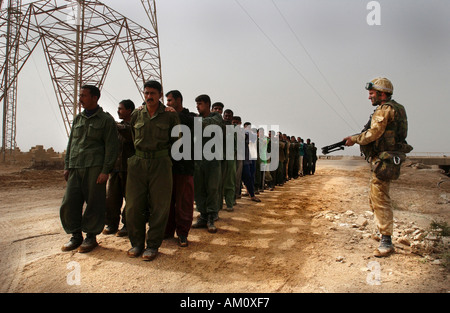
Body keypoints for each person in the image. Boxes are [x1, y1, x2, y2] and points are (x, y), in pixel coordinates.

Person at [344, 77, 411, 258]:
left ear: (382, 94)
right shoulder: (398, 107)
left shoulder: (385, 109)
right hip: (389, 158)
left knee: (380, 197)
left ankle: (386, 241)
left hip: (385, 159)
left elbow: (374, 133)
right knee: (376, 196)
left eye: (372, 93)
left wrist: (355, 139)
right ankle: (383, 234)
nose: (369, 97)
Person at [125, 80, 180, 261]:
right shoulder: (136, 114)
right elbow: (133, 136)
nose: (149, 97)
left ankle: (152, 245)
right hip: (138, 164)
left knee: (159, 206)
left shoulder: (170, 116)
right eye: (146, 93)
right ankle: (137, 243)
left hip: (160, 163)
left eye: (153, 94)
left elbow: (176, 141)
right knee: (133, 206)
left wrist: (165, 160)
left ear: (160, 95)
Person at [60, 85, 119, 253]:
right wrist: (67, 166)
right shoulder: (78, 119)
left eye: (84, 95)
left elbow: (111, 147)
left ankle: (91, 237)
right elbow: (71, 143)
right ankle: (75, 235)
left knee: (94, 203)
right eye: (80, 95)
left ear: (95, 98)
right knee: (69, 202)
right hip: (76, 166)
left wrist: (105, 170)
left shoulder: (106, 120)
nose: (80, 98)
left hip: (95, 168)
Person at [163, 90, 196, 247]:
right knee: (166, 201)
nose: (168, 104)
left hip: (184, 165)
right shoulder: (166, 115)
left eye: (170, 101)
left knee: (183, 202)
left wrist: (173, 114)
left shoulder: (191, 117)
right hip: (167, 165)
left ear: (178, 100)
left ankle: (182, 233)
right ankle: (167, 231)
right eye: (167, 101)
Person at [103, 99, 135, 237]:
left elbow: (129, 134)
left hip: (130, 170)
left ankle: (127, 225)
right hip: (116, 169)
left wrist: (113, 123)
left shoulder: (134, 126)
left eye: (121, 109)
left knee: (131, 200)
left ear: (129, 110)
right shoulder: (117, 127)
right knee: (112, 199)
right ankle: (111, 224)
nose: (118, 111)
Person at [192, 94, 224, 233]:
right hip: (198, 160)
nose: (197, 106)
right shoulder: (197, 118)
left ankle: (211, 216)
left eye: (200, 104)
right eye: (196, 104)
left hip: (212, 160)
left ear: (207, 104)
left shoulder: (216, 117)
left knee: (212, 188)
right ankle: (203, 216)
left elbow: (210, 124)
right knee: (199, 189)